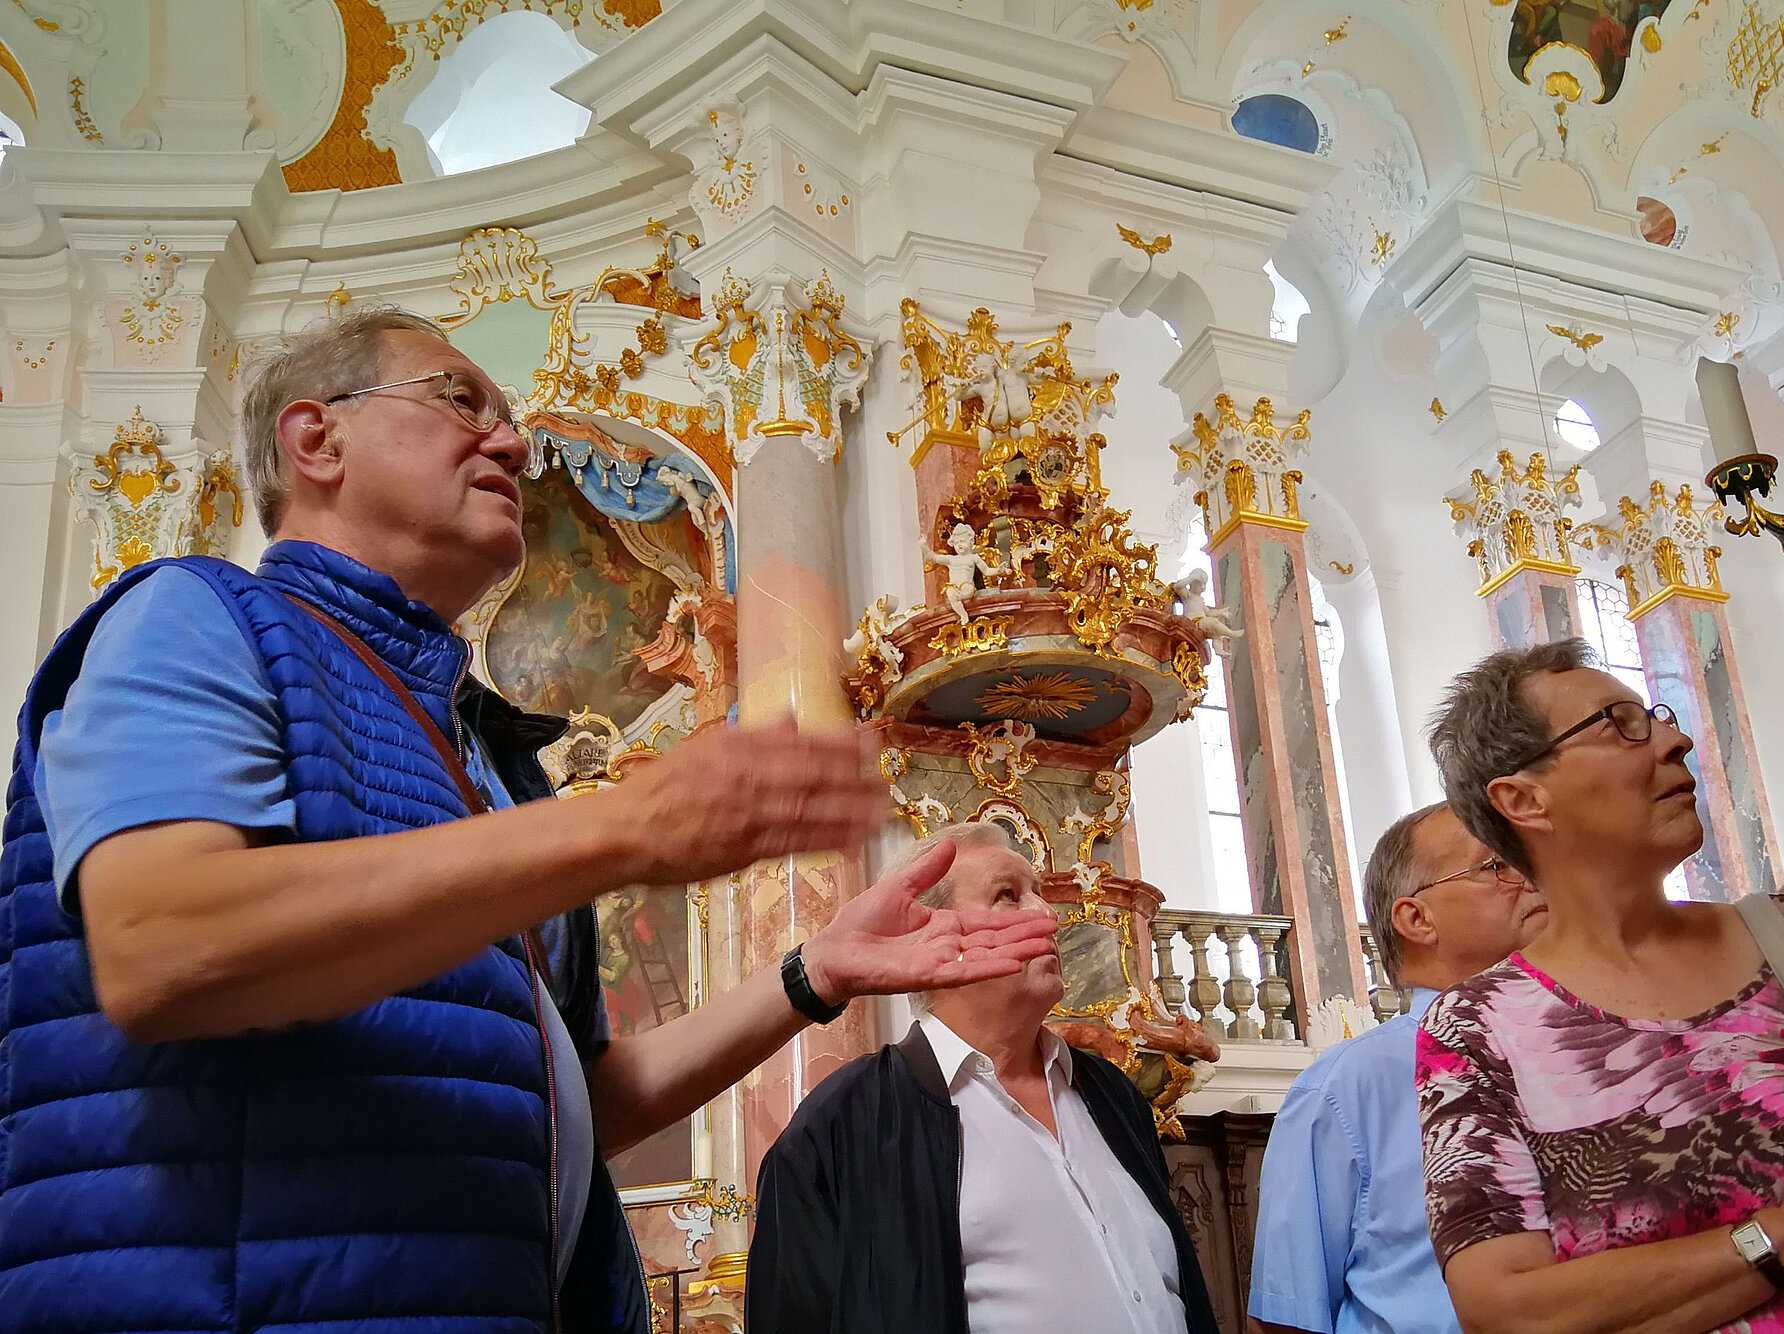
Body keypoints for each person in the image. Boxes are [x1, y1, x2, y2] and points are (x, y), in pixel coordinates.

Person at [0, 308, 1059, 1334]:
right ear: (315, 437)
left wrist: (812, 972)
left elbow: (574, 1107)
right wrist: (625, 827)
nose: (509, 437)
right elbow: (160, 946)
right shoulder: (188, 614)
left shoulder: (483, 755)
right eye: (460, 398)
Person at [1419, 638, 1784, 1334]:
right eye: (1617, 722)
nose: (1676, 740)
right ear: (1524, 799)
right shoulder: (1479, 1027)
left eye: (1656, 716)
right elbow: (1506, 1309)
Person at [746, 822, 1219, 1334]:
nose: (1048, 918)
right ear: (929, 936)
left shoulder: (1110, 1092)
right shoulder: (842, 1125)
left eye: (1039, 895)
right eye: (1008, 896)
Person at [1249, 803, 1547, 1334]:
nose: (1531, 876)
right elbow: (1288, 1319)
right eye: (1497, 863)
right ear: (1417, 919)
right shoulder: (1345, 1086)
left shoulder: (1596, 1046)